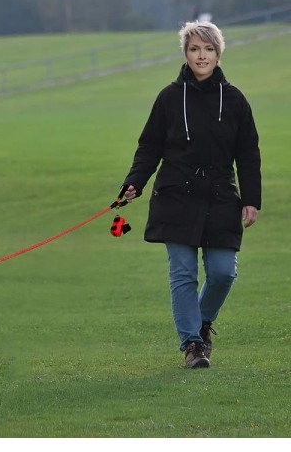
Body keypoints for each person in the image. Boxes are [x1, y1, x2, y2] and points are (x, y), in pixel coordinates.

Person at [120, 21, 261, 369]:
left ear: (218, 54)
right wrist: (134, 181)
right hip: (175, 195)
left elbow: (248, 153)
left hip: (221, 196)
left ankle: (202, 322)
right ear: (186, 53)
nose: (202, 56)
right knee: (182, 272)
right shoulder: (169, 98)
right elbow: (149, 146)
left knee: (223, 272)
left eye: (209, 49)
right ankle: (193, 344)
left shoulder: (235, 100)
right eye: (195, 49)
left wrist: (251, 198)